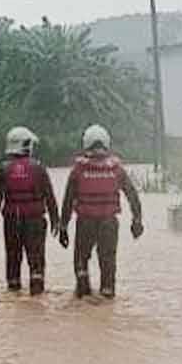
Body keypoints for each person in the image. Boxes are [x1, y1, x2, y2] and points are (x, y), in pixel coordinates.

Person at [58, 124, 143, 299]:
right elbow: (132, 196)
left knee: (81, 260)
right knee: (108, 261)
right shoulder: (116, 169)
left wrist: (63, 227)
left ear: (86, 143)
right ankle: (107, 293)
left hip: (85, 222)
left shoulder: (78, 170)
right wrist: (137, 220)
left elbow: (67, 201)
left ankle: (83, 294)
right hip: (109, 224)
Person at [0, 126, 59, 295]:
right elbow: (50, 196)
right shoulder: (39, 168)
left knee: (13, 258)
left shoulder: (3, 169)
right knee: (36, 259)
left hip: (11, 222)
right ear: (26, 145)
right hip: (35, 221)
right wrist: (56, 220)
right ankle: (37, 297)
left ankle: (14, 292)